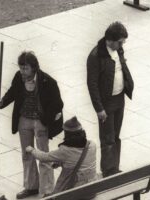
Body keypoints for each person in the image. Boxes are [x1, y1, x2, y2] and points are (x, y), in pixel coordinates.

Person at [0, 51, 64, 199]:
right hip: (23, 120)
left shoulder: (47, 81)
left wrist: (47, 118)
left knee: (43, 155)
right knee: (27, 155)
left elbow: (58, 103)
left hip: (40, 122)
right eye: (21, 68)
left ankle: (47, 190)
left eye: (25, 68)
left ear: (34, 68)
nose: (22, 71)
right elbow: (12, 92)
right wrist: (2, 102)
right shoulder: (18, 78)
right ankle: (31, 186)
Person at [87, 21, 134, 177]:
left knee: (115, 136)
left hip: (119, 98)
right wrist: (99, 108)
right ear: (110, 40)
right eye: (120, 42)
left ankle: (115, 167)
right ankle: (108, 171)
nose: (122, 45)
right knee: (107, 138)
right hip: (106, 103)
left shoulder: (118, 49)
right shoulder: (95, 56)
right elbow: (92, 84)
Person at [26, 116, 97, 196]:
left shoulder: (65, 150)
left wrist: (32, 150)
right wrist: (60, 163)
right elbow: (78, 159)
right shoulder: (92, 145)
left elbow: (44, 157)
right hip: (92, 190)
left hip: (74, 193)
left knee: (48, 197)